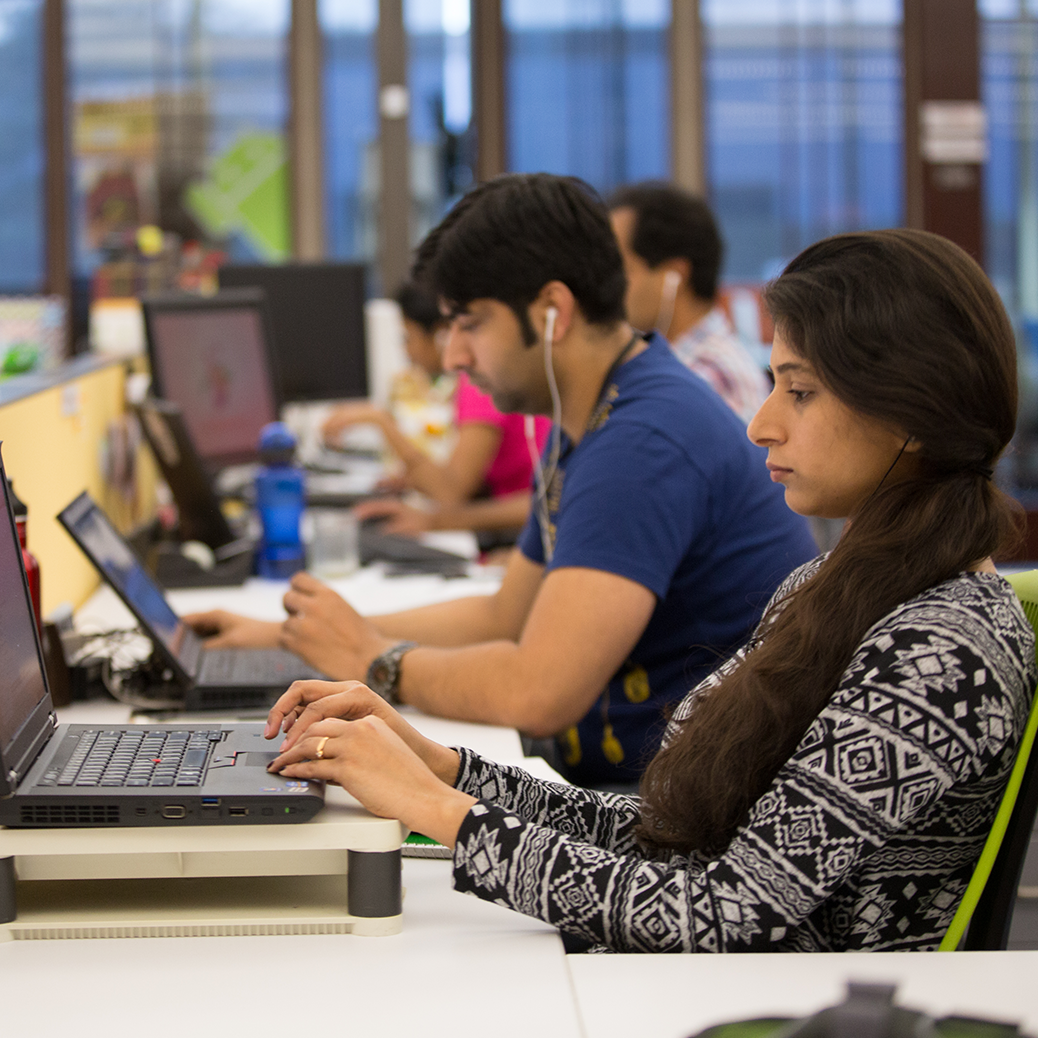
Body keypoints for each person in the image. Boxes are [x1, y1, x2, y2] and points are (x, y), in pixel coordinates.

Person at [261, 228, 1037, 953]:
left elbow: (728, 912)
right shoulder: (844, 584)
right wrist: (444, 770)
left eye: (799, 392)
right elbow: (675, 836)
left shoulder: (941, 650)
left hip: (777, 1007)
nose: (761, 424)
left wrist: (441, 814)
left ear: (913, 412)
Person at [186, 173, 816, 789]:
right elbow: (505, 614)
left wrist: (375, 662)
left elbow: (537, 691)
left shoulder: (644, 439)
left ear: (552, 312)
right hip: (608, 776)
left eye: (470, 323)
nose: (455, 357)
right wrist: (299, 638)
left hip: (655, 806)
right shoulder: (590, 415)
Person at [320, 280, 551, 537]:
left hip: (519, 538)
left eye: (408, 339)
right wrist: (415, 480)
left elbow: (450, 493)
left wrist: (381, 422)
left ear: (441, 333)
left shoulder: (480, 387)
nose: (407, 351)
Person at [608, 181, 771, 424]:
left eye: (622, 269)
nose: (609, 284)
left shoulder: (712, 376)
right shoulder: (673, 367)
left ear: (674, 276)